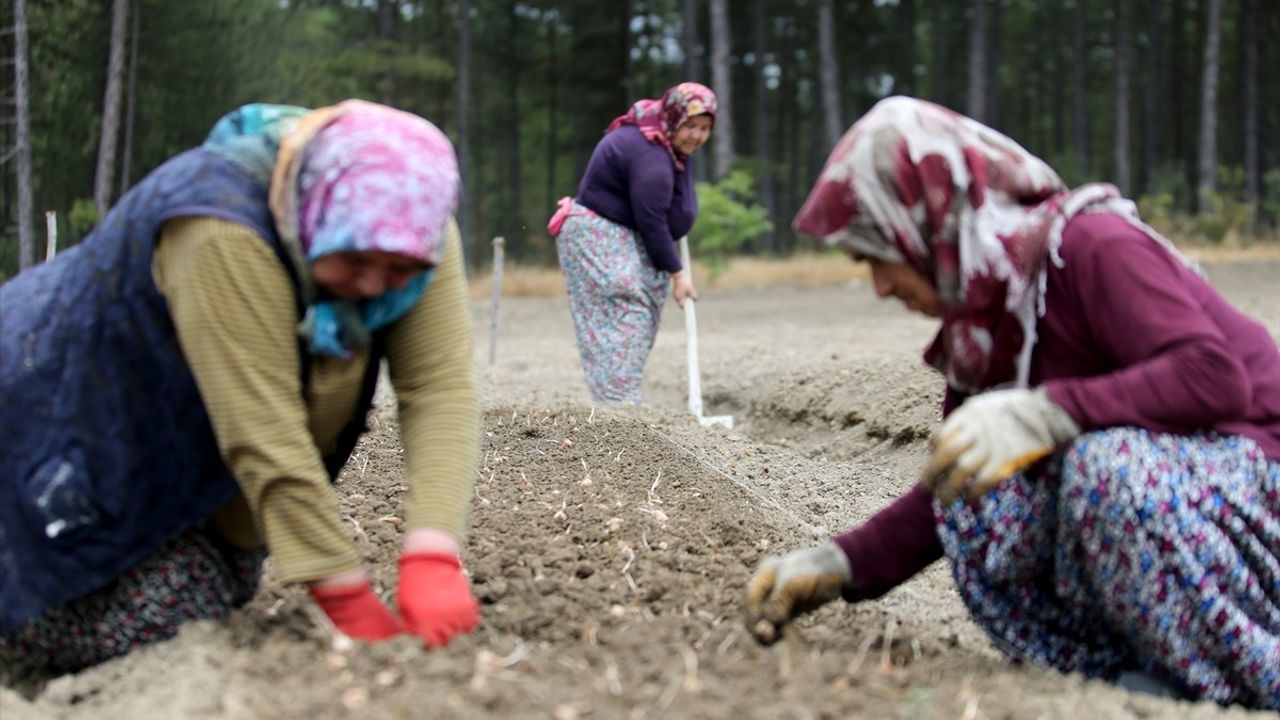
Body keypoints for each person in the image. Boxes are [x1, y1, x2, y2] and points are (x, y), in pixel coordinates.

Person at [743, 96, 1280, 709]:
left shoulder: (1092, 244)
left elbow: (1213, 376)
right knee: (974, 494)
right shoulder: (985, 325)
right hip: (1179, 497)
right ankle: (1115, 681)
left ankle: (1242, 681)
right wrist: (839, 564)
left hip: (1255, 477)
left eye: (878, 256)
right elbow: (947, 490)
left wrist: (1047, 414)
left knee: (1106, 469)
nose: (881, 286)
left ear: (927, 220)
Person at [0, 100, 482, 676]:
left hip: (181, 461)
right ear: (320, 216)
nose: (377, 284)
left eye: (400, 270)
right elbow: (264, 430)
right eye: (354, 258)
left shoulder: (412, 224)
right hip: (56, 425)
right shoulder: (219, 229)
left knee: (202, 595)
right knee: (104, 612)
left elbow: (438, 389)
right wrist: (348, 600)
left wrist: (433, 553)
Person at [548, 82, 717, 404]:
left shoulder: (668, 141)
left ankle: (619, 401)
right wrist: (678, 275)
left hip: (626, 234)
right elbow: (652, 222)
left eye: (705, 128)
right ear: (674, 118)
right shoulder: (651, 154)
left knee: (644, 308)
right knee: (629, 305)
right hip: (599, 235)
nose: (697, 135)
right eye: (691, 126)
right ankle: (618, 403)